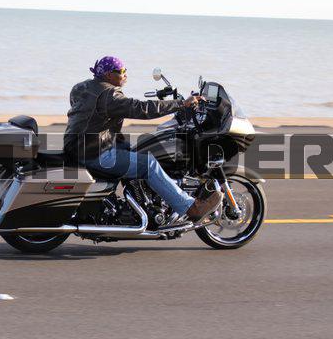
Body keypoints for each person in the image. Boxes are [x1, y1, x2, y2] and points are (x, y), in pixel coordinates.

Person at [63, 56, 222, 222]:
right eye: (122, 71)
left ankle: (134, 202)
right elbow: (141, 108)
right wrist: (181, 104)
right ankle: (191, 208)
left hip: (77, 146)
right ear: (109, 75)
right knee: (149, 164)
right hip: (94, 153)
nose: (125, 74)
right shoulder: (109, 94)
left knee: (134, 149)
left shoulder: (81, 87)